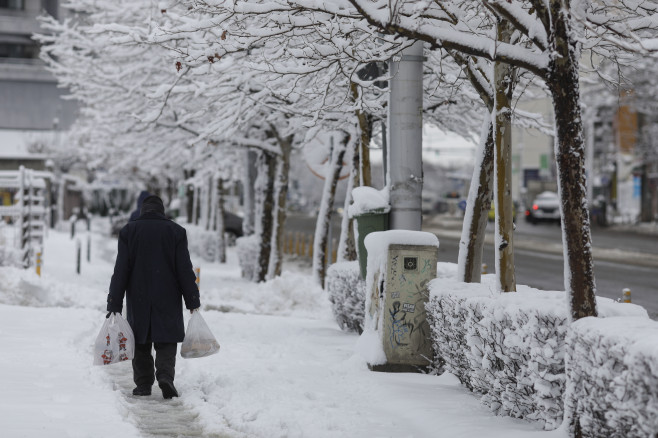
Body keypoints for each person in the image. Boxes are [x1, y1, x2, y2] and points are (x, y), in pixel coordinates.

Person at [106, 195, 200, 399]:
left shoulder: (129, 231)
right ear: (162, 211)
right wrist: (192, 299)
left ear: (142, 210)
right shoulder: (176, 231)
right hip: (167, 294)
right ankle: (165, 376)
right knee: (166, 339)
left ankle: (143, 384)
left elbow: (121, 269)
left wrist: (114, 301)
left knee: (140, 340)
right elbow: (184, 269)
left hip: (138, 295)